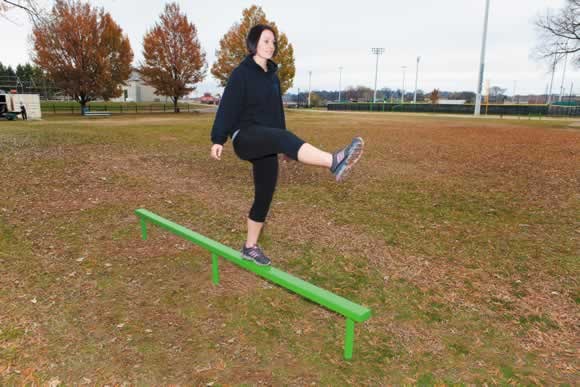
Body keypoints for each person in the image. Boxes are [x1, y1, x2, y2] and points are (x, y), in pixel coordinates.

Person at [210, 24, 364, 266]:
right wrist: (218, 139)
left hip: (268, 139)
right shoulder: (241, 73)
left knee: (265, 193)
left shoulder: (272, 76)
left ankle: (250, 247)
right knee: (282, 137)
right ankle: (333, 162)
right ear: (253, 44)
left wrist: (284, 147)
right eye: (265, 41)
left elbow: (276, 113)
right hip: (245, 137)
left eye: (273, 42)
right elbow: (227, 105)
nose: (271, 46)